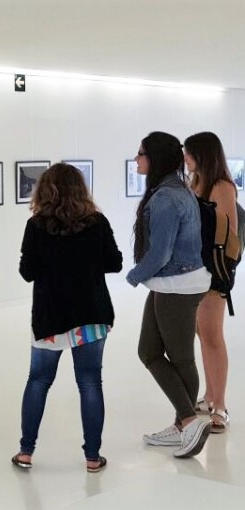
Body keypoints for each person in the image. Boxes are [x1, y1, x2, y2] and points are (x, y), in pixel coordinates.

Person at [12, 163, 122, 473]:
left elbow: (27, 272)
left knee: (38, 380)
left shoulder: (36, 226)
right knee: (89, 382)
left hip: (50, 318)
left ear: (45, 189)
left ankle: (25, 452)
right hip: (91, 315)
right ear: (80, 189)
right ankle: (92, 457)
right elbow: (114, 263)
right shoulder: (97, 222)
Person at [126, 131, 211, 458]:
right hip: (172, 285)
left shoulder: (165, 198)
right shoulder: (176, 191)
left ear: (155, 158)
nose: (136, 159)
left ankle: (188, 422)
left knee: (180, 357)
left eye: (141, 153)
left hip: (177, 286)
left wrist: (134, 275)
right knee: (149, 350)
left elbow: (160, 254)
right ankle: (184, 424)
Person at [184, 131, 238, 433]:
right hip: (195, 271)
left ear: (202, 155)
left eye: (189, 153)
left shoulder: (222, 187)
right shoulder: (196, 183)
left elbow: (227, 237)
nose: (185, 159)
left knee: (213, 337)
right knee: (203, 335)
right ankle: (209, 396)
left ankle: (220, 406)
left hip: (214, 273)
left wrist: (219, 275)